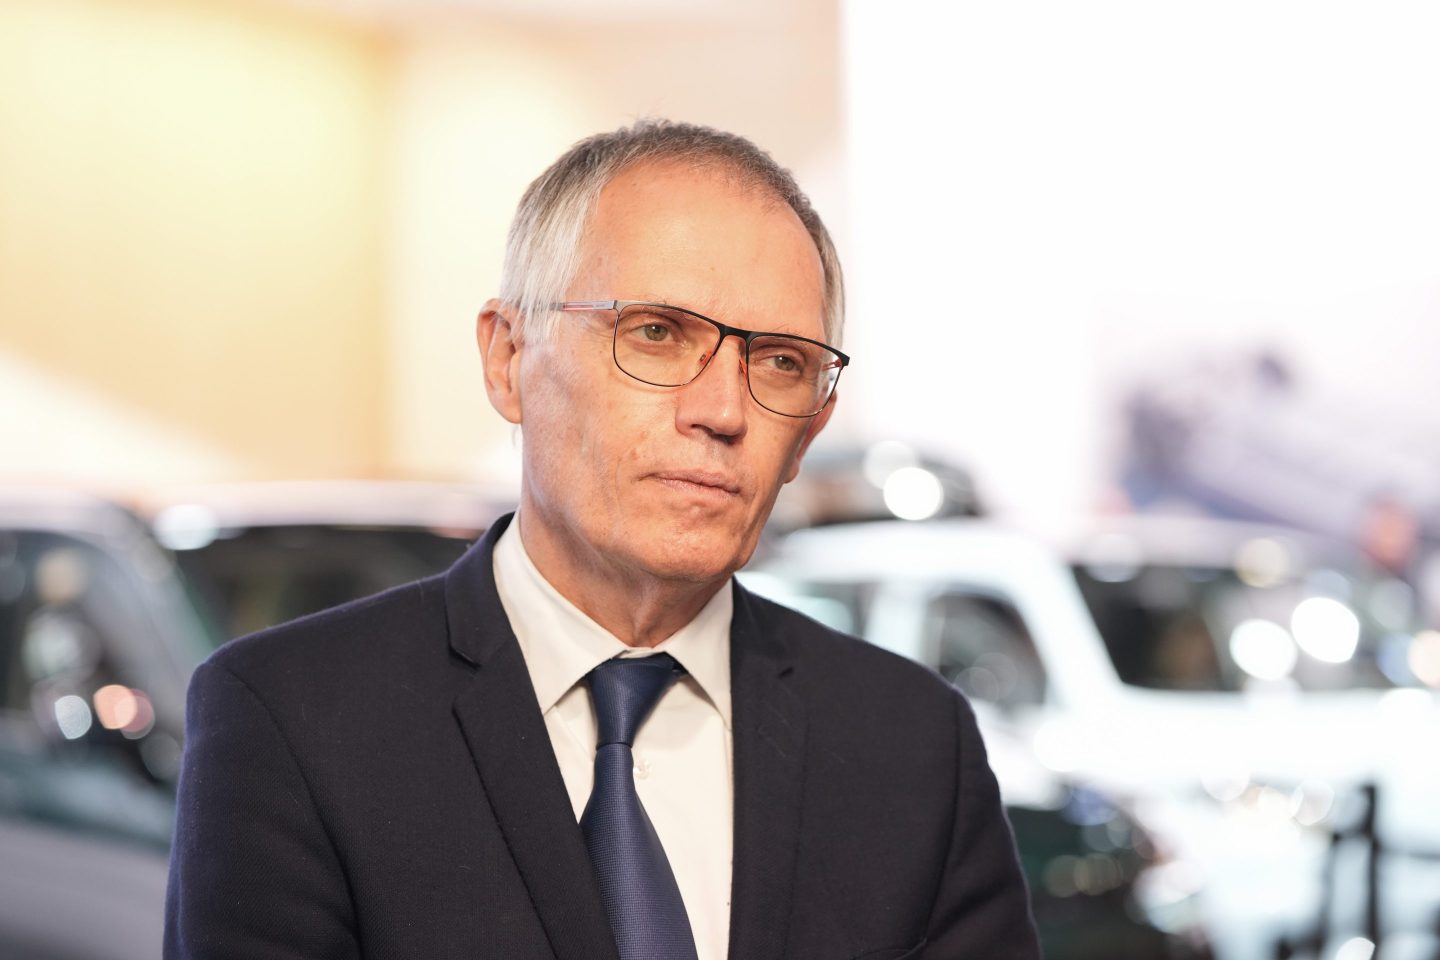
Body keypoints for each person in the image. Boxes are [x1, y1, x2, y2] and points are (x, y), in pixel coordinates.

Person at [164, 120, 1039, 960]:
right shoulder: (293, 720)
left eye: (779, 362)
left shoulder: (914, 745)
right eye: (657, 334)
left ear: (812, 429)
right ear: (508, 357)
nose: (723, 411)